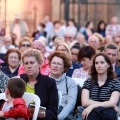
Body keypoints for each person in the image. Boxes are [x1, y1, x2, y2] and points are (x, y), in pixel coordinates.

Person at [20, 48, 58, 120]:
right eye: (26, 63)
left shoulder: (50, 83)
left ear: (40, 64)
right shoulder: (19, 81)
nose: (29, 66)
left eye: (32, 62)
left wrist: (37, 113)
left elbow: (53, 112)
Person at [81, 53, 120, 120]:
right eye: (96, 63)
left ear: (108, 65)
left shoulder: (115, 82)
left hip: (107, 114)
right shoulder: (88, 82)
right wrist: (108, 104)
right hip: (91, 113)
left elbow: (113, 102)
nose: (99, 65)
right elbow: (84, 102)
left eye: (102, 63)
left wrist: (92, 106)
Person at [48, 51, 77, 120]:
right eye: (53, 63)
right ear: (50, 65)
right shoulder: (44, 81)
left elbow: (71, 104)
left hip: (64, 116)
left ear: (64, 68)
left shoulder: (71, 82)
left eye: (59, 64)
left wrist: (58, 118)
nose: (55, 66)